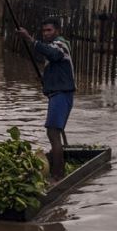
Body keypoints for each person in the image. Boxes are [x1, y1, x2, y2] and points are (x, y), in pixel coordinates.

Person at [17, 18, 75, 181]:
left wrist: (30, 39)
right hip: (56, 95)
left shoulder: (61, 44)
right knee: (53, 133)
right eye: (43, 31)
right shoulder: (52, 46)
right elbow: (55, 66)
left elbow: (54, 54)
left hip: (62, 94)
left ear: (57, 31)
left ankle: (58, 176)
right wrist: (45, 80)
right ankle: (58, 170)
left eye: (49, 30)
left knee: (52, 134)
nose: (45, 34)